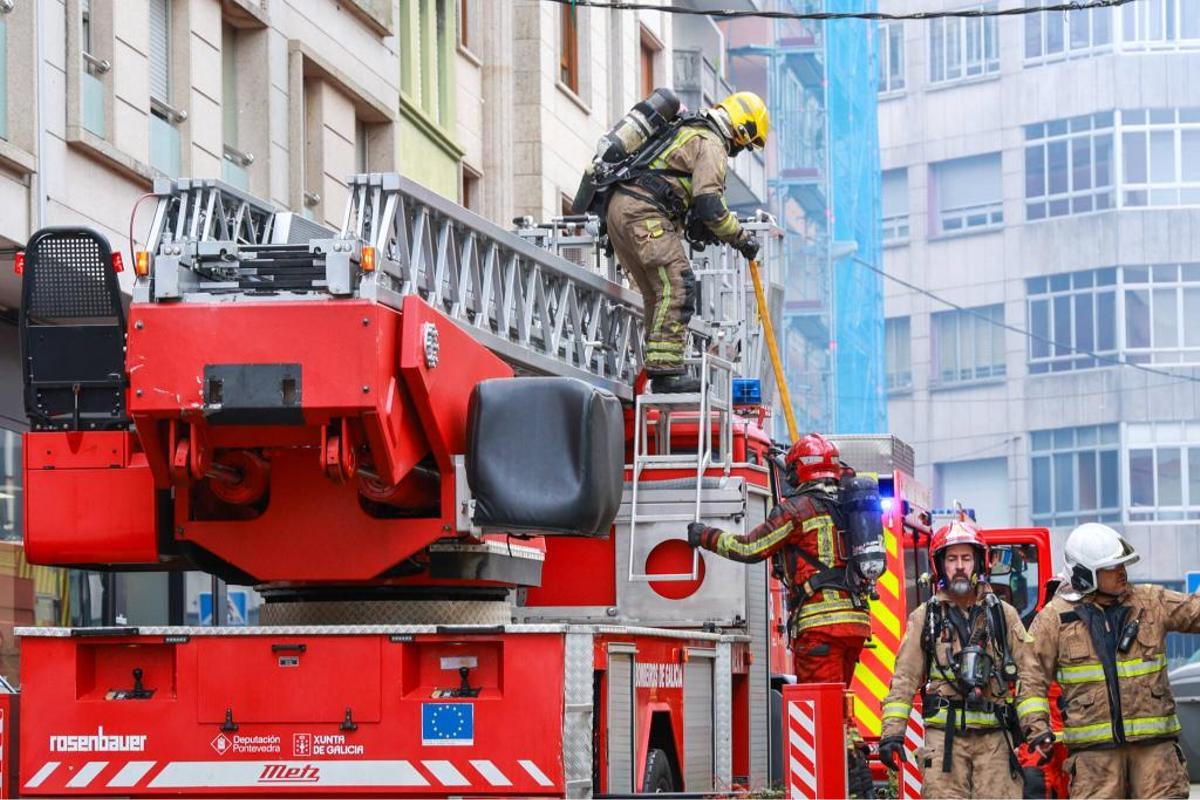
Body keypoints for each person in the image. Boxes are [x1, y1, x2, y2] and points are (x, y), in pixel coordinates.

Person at [687, 433, 880, 797]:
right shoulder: (846, 507)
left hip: (820, 629)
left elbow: (751, 548)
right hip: (855, 623)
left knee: (821, 719)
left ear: (799, 471)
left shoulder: (796, 510)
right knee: (840, 712)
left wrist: (706, 536)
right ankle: (861, 789)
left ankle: (845, 790)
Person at [1021, 522, 1200, 799]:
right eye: (1112, 567)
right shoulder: (1054, 619)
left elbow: (1195, 611)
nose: (1122, 572)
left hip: (1156, 758)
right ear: (1085, 574)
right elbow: (1029, 676)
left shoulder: (1151, 602)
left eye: (1123, 565)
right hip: (1095, 763)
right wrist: (1037, 728)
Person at [606, 91, 768, 393]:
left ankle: (658, 368)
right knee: (679, 284)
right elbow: (710, 205)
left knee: (658, 293)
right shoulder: (712, 142)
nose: (740, 151)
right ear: (742, 131)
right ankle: (666, 374)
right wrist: (741, 238)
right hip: (644, 213)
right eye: (746, 145)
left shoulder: (688, 128)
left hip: (620, 210)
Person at [877, 521, 1036, 799]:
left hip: (995, 742)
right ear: (940, 565)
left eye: (966, 558)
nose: (960, 566)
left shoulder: (1003, 615)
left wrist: (1037, 729)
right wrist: (892, 734)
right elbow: (904, 679)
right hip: (944, 742)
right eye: (952, 559)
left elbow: (1030, 677)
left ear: (979, 563)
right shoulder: (925, 617)